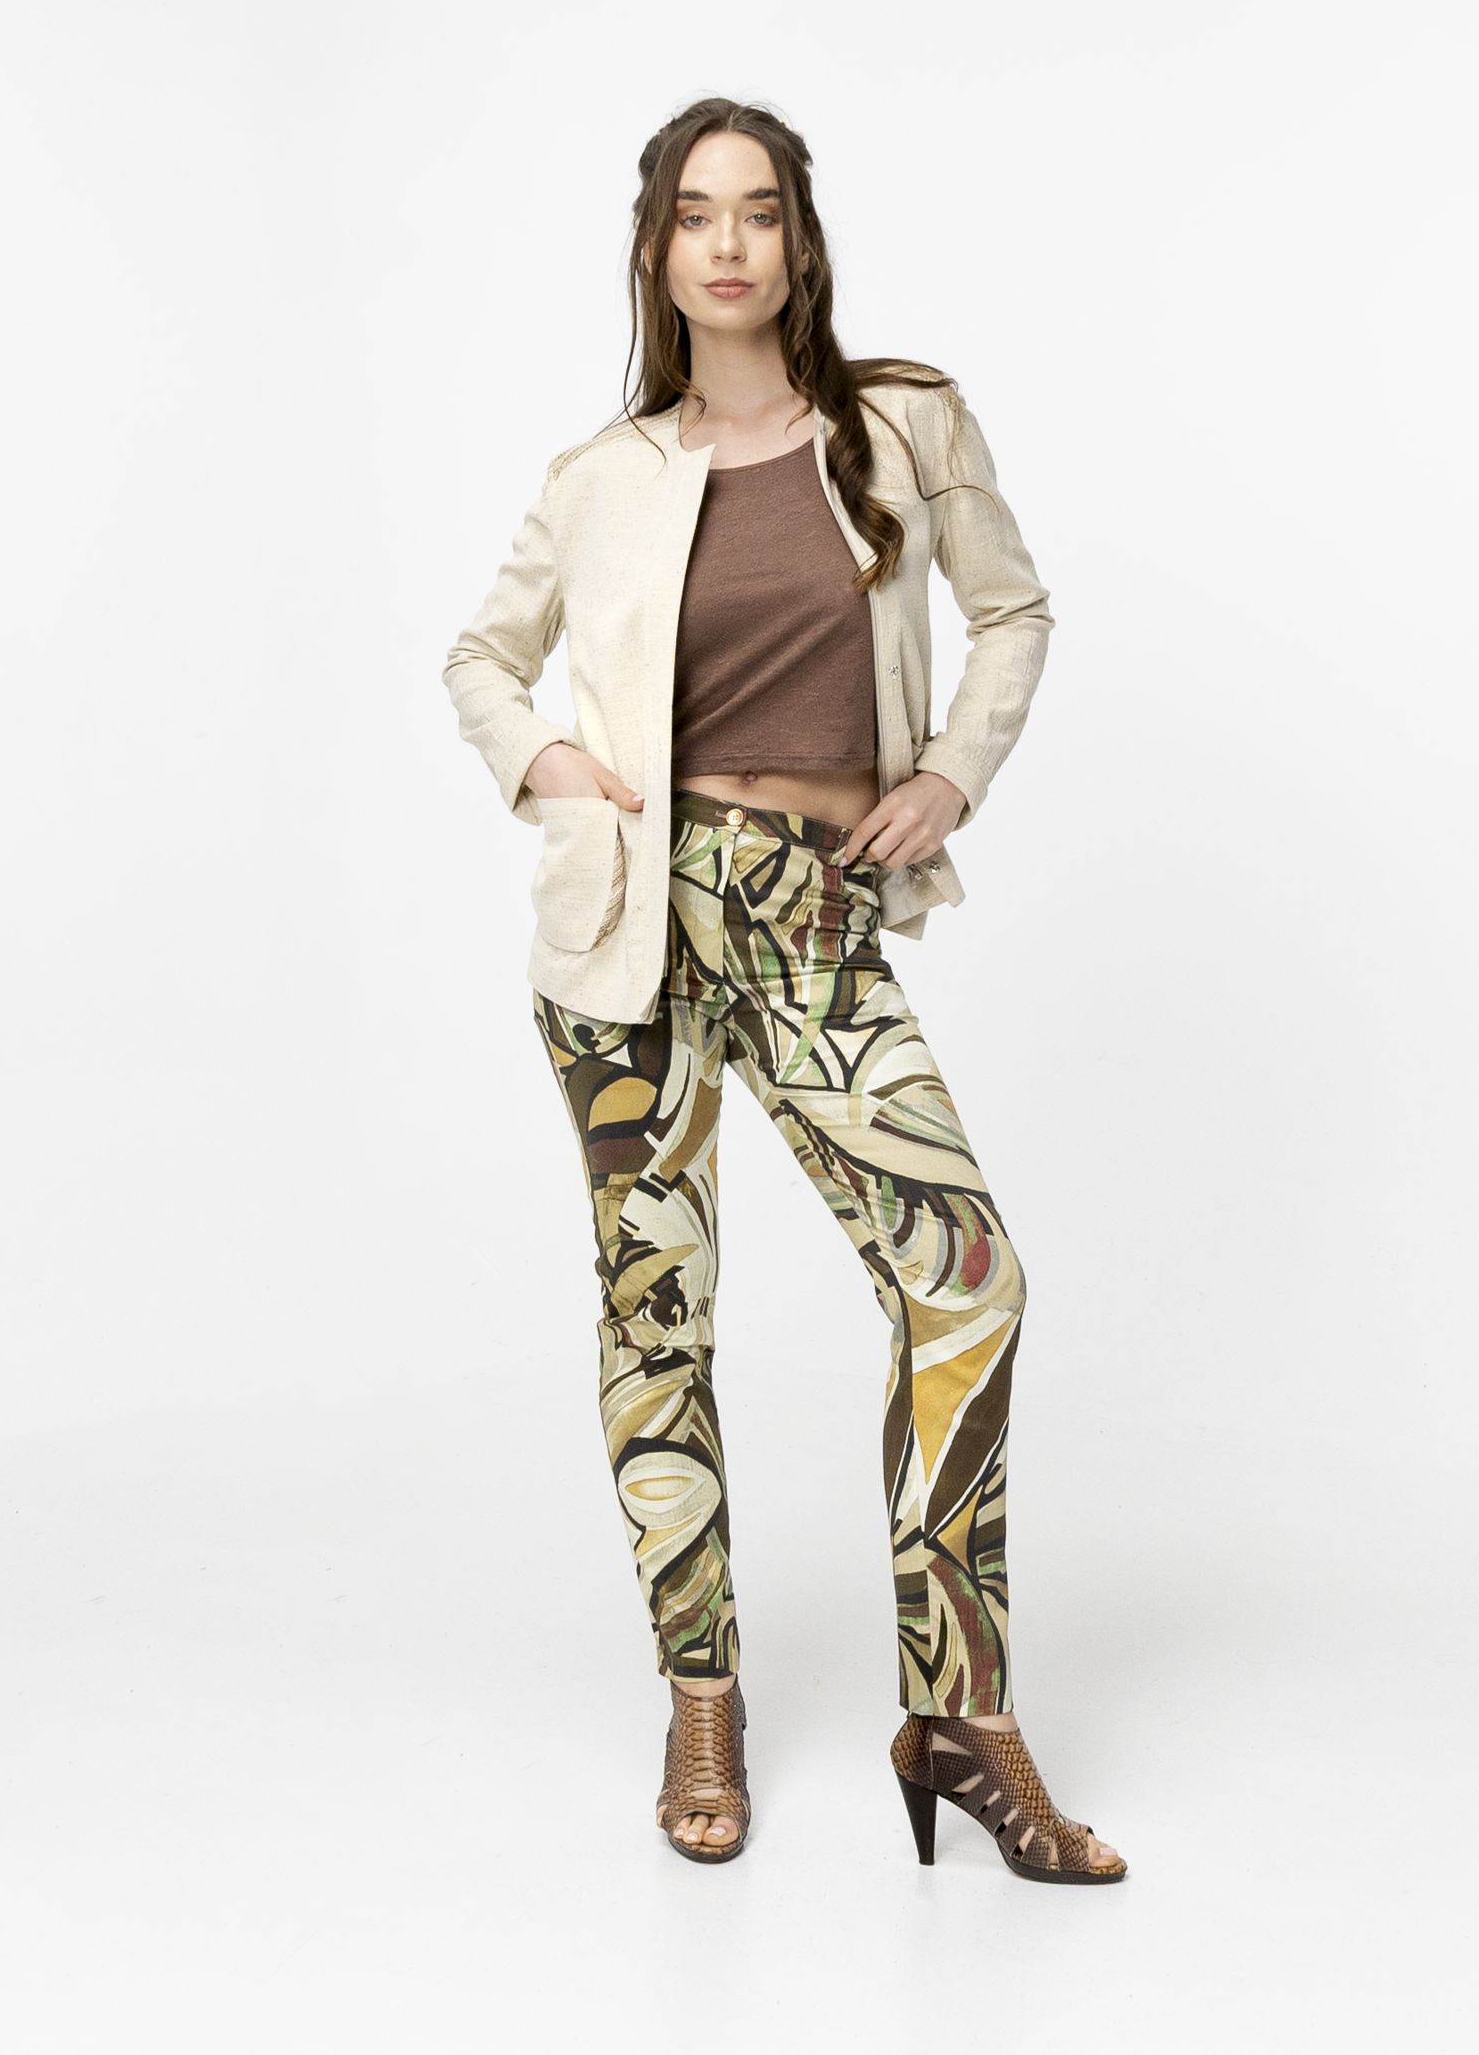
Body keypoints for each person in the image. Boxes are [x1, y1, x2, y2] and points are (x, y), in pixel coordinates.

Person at [442, 98, 1125, 1883]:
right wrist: (544, 765)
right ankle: (701, 1697)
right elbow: (481, 656)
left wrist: (953, 772)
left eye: (759, 210)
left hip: (810, 913)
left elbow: (1017, 611)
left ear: (801, 240)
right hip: (629, 927)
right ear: (657, 249)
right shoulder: (601, 474)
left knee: (966, 1282)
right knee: (657, 1316)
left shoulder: (902, 425)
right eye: (696, 214)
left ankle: (959, 1715)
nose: (729, 242)